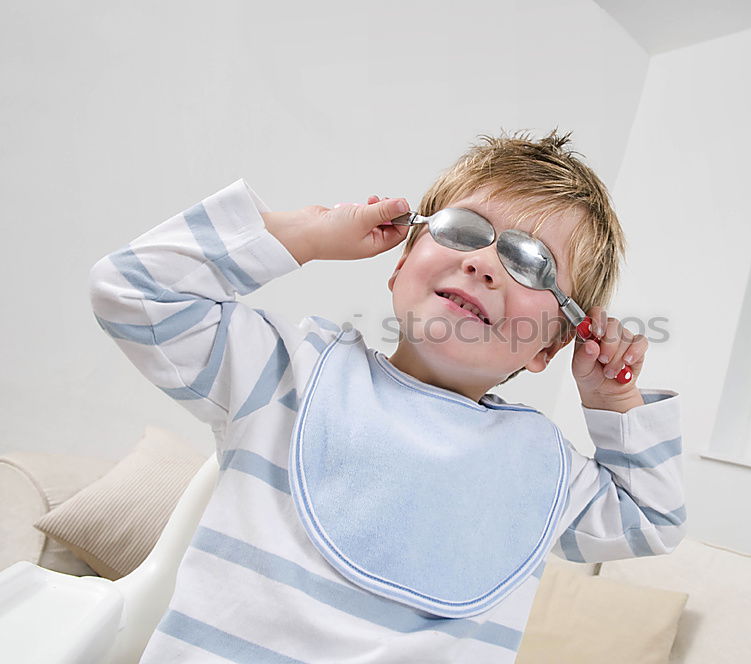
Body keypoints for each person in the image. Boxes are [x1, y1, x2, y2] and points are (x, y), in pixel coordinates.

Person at [89, 130, 686, 663]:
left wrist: (613, 404)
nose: (482, 264)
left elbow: (653, 517)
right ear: (401, 264)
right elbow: (135, 289)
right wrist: (306, 235)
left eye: (531, 264)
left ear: (546, 350)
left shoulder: (544, 467)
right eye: (463, 231)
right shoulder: (284, 377)